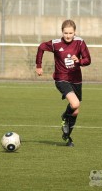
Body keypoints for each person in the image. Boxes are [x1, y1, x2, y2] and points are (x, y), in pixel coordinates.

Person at [35, 19, 91, 147]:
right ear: (62, 32)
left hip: (76, 79)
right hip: (61, 78)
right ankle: (65, 117)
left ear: (74, 32)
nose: (68, 36)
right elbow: (41, 47)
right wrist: (39, 65)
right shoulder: (55, 44)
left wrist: (79, 61)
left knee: (75, 111)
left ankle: (67, 136)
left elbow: (88, 60)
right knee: (74, 103)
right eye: (65, 33)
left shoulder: (80, 42)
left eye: (70, 33)